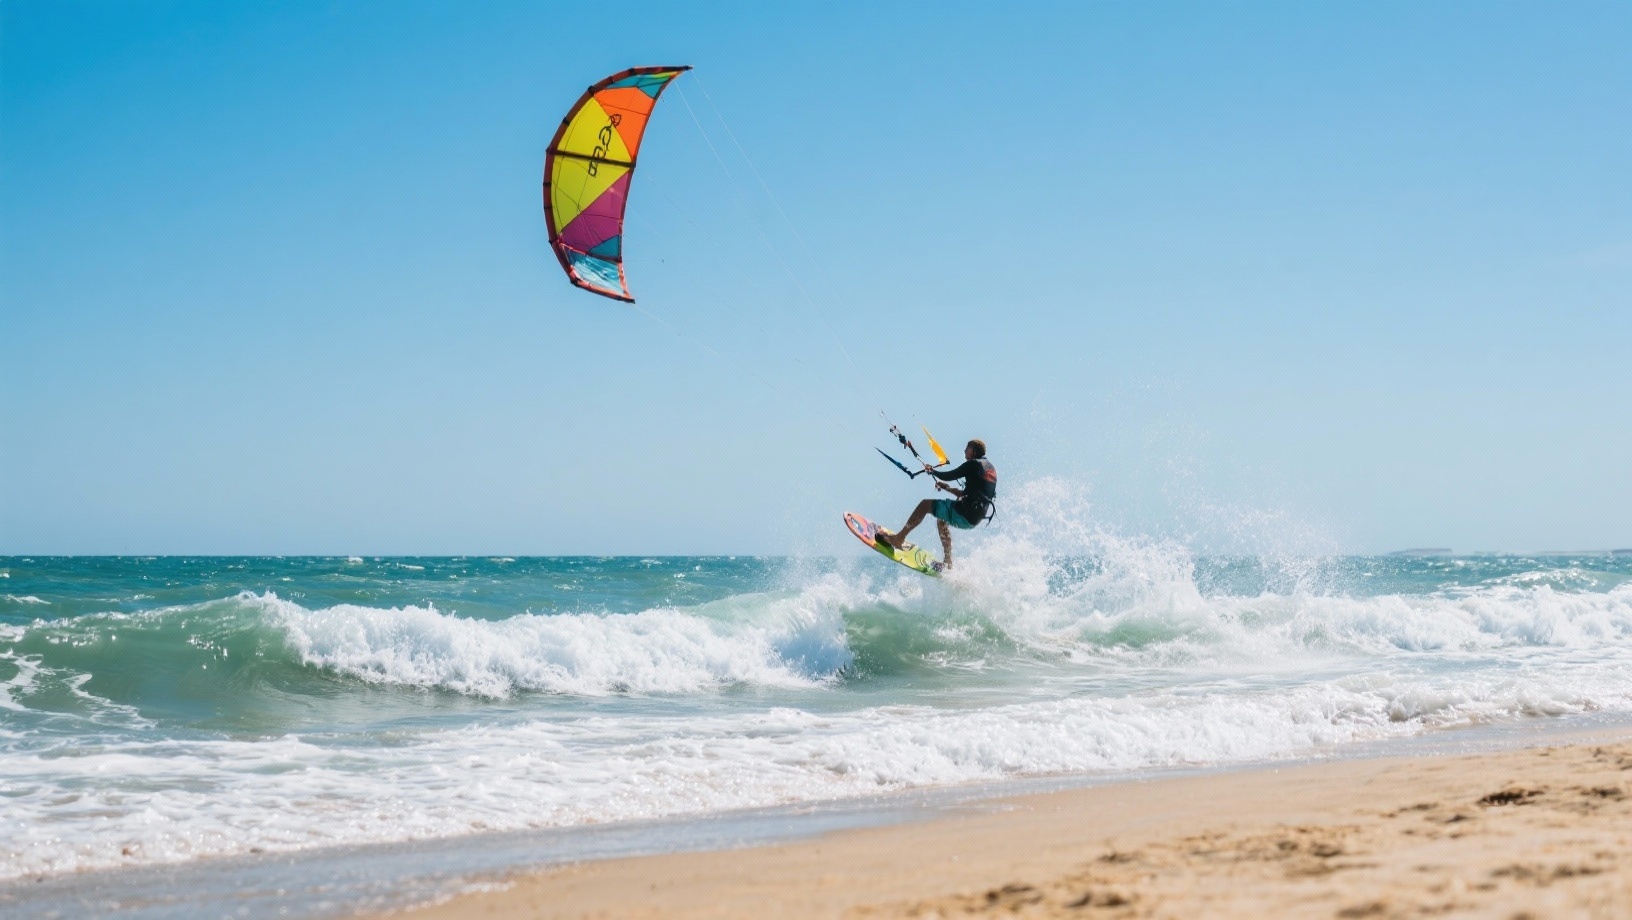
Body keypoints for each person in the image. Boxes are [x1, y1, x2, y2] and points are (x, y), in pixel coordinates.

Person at [876, 439, 996, 570]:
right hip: (974, 518)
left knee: (925, 505)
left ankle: (898, 539)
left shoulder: (974, 464)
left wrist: (933, 471)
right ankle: (948, 562)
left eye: (968, 448)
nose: (964, 451)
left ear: (974, 451)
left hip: (965, 513)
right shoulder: (989, 469)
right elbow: (967, 494)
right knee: (942, 519)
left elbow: (950, 475)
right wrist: (946, 488)